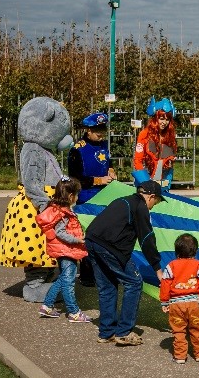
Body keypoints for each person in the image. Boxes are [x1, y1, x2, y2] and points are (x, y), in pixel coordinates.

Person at [0, 97, 74, 303]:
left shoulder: (44, 150)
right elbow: (32, 182)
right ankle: (34, 286)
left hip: (47, 204)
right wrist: (45, 204)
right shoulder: (32, 149)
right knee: (37, 246)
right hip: (35, 207)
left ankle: (46, 279)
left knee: (48, 248)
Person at [84, 180, 166, 345]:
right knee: (134, 282)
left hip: (92, 241)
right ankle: (124, 332)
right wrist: (157, 267)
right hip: (110, 246)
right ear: (151, 196)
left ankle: (106, 332)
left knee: (107, 287)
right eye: (155, 202)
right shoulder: (140, 207)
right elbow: (147, 239)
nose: (154, 206)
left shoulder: (123, 200)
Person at [68, 112, 116, 287]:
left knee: (106, 237)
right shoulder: (77, 150)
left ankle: (104, 271)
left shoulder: (103, 145)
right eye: (97, 130)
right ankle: (87, 275)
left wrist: (111, 170)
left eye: (103, 129)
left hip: (104, 199)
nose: (101, 133)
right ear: (88, 130)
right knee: (88, 238)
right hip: (86, 200)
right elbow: (74, 178)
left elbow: (107, 163)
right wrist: (98, 180)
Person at [36, 176, 91, 323]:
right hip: (66, 250)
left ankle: (47, 306)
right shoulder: (63, 213)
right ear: (71, 196)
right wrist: (78, 240)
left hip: (64, 250)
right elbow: (61, 233)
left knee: (63, 279)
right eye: (77, 194)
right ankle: (74, 312)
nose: (78, 197)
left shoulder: (58, 209)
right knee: (69, 281)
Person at [160, 233, 199, 364]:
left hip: (176, 305)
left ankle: (180, 356)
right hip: (194, 304)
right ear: (196, 250)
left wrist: (164, 301)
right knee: (196, 328)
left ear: (176, 251)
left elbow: (165, 284)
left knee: (178, 330)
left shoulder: (170, 266)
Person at [134, 96, 178, 190]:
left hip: (164, 176)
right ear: (155, 118)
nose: (164, 122)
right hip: (146, 176)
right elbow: (138, 160)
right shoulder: (144, 134)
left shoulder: (170, 136)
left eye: (167, 119)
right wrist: (145, 181)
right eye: (161, 118)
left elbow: (170, 159)